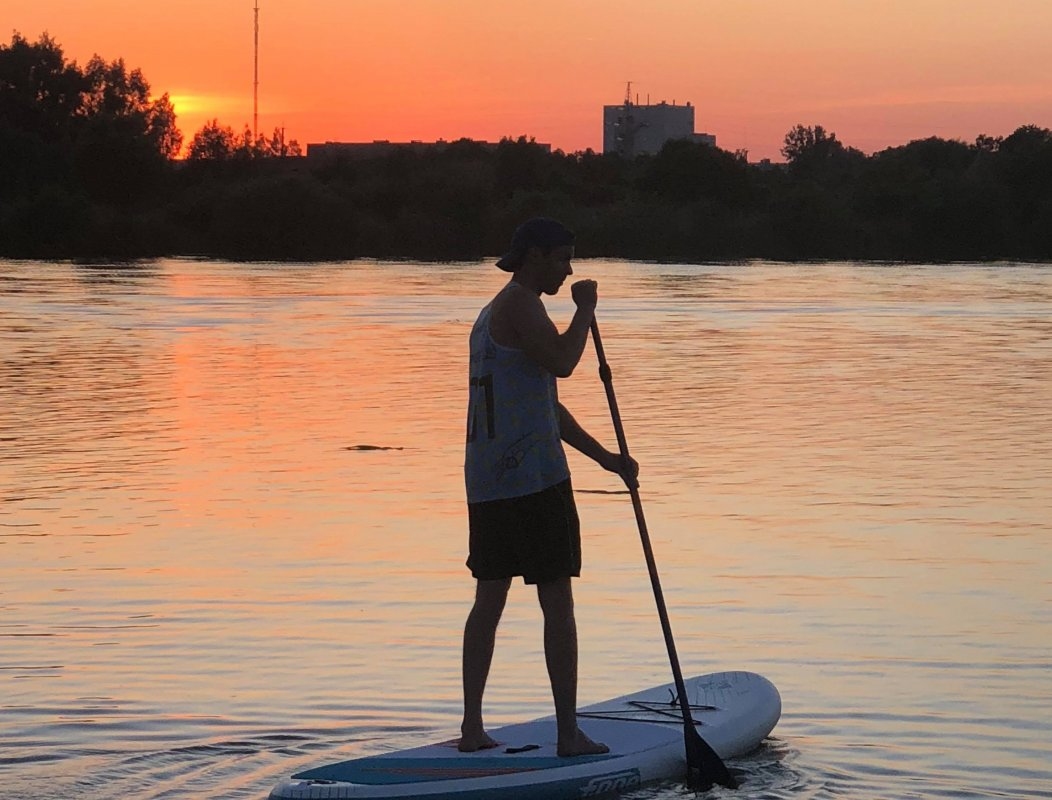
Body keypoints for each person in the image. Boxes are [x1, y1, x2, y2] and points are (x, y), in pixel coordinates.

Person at [460, 217, 639, 757]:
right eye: (562, 258)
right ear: (535, 256)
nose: (568, 270)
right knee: (556, 602)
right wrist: (585, 309)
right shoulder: (519, 303)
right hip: (534, 482)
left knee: (489, 597)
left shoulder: (494, 312)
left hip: (488, 480)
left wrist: (607, 459)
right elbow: (563, 364)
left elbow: (542, 404)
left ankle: (473, 730)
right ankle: (567, 735)